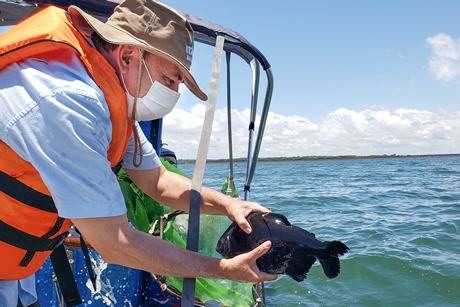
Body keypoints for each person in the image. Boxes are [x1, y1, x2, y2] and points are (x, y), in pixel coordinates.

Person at [0, 0, 277, 306]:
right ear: (129, 55)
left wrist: (229, 205)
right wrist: (223, 269)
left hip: (13, 266)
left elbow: (157, 180)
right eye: (170, 79)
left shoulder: (113, 100)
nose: (174, 93)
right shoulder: (69, 101)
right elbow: (115, 242)